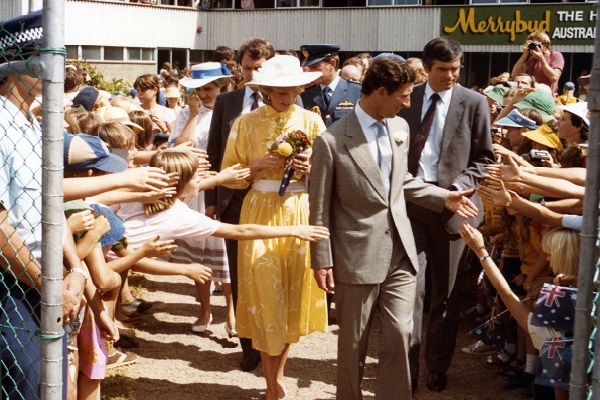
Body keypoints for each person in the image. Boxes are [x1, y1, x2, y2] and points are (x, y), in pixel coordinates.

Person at [309, 56, 479, 399]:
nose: (409, 102)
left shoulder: (399, 128)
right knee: (353, 344)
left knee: (401, 333)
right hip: (355, 256)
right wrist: (321, 259)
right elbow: (319, 207)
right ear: (382, 92)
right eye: (404, 95)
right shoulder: (331, 141)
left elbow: (401, 181)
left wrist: (443, 197)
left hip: (401, 251)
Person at [220, 55, 327, 400]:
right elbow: (229, 177)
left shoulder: (312, 122)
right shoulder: (246, 122)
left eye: (293, 88)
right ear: (265, 89)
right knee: (267, 296)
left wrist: (311, 167)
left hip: (299, 210)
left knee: (292, 296)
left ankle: (276, 377)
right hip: (259, 212)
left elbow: (330, 174)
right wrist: (255, 166)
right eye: (280, 89)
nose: (287, 94)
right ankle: (271, 387)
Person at [397, 36, 495, 392]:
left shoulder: (474, 103)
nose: (451, 76)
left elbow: (485, 158)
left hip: (456, 211)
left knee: (446, 295)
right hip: (413, 206)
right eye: (443, 70)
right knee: (410, 290)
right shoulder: (407, 99)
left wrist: (456, 188)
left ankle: (436, 367)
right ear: (426, 68)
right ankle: (406, 369)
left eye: (456, 69)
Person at [0, 11, 88, 399]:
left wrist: (77, 268)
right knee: (28, 389)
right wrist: (48, 284)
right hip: (14, 285)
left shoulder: (34, 123)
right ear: (22, 62)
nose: (60, 67)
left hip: (45, 278)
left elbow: (49, 207)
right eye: (51, 56)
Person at [205, 37, 276, 372]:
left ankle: (272, 343)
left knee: (270, 271)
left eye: (259, 69)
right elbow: (214, 153)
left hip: (273, 200)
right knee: (241, 275)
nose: (252, 75)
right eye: (247, 69)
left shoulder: (285, 103)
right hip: (233, 201)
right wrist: (211, 201)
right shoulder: (227, 102)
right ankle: (248, 347)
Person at [167, 62, 236, 334]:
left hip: (220, 182)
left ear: (221, 87)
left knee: (224, 251)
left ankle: (232, 312)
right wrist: (194, 114)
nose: (204, 94)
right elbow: (178, 147)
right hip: (195, 186)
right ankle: (205, 310)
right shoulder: (186, 113)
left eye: (209, 88)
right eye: (199, 89)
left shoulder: (230, 111)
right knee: (199, 250)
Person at [300, 44, 362, 127]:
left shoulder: (357, 91)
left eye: (314, 67)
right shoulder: (305, 95)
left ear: (332, 64)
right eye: (310, 68)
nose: (311, 72)